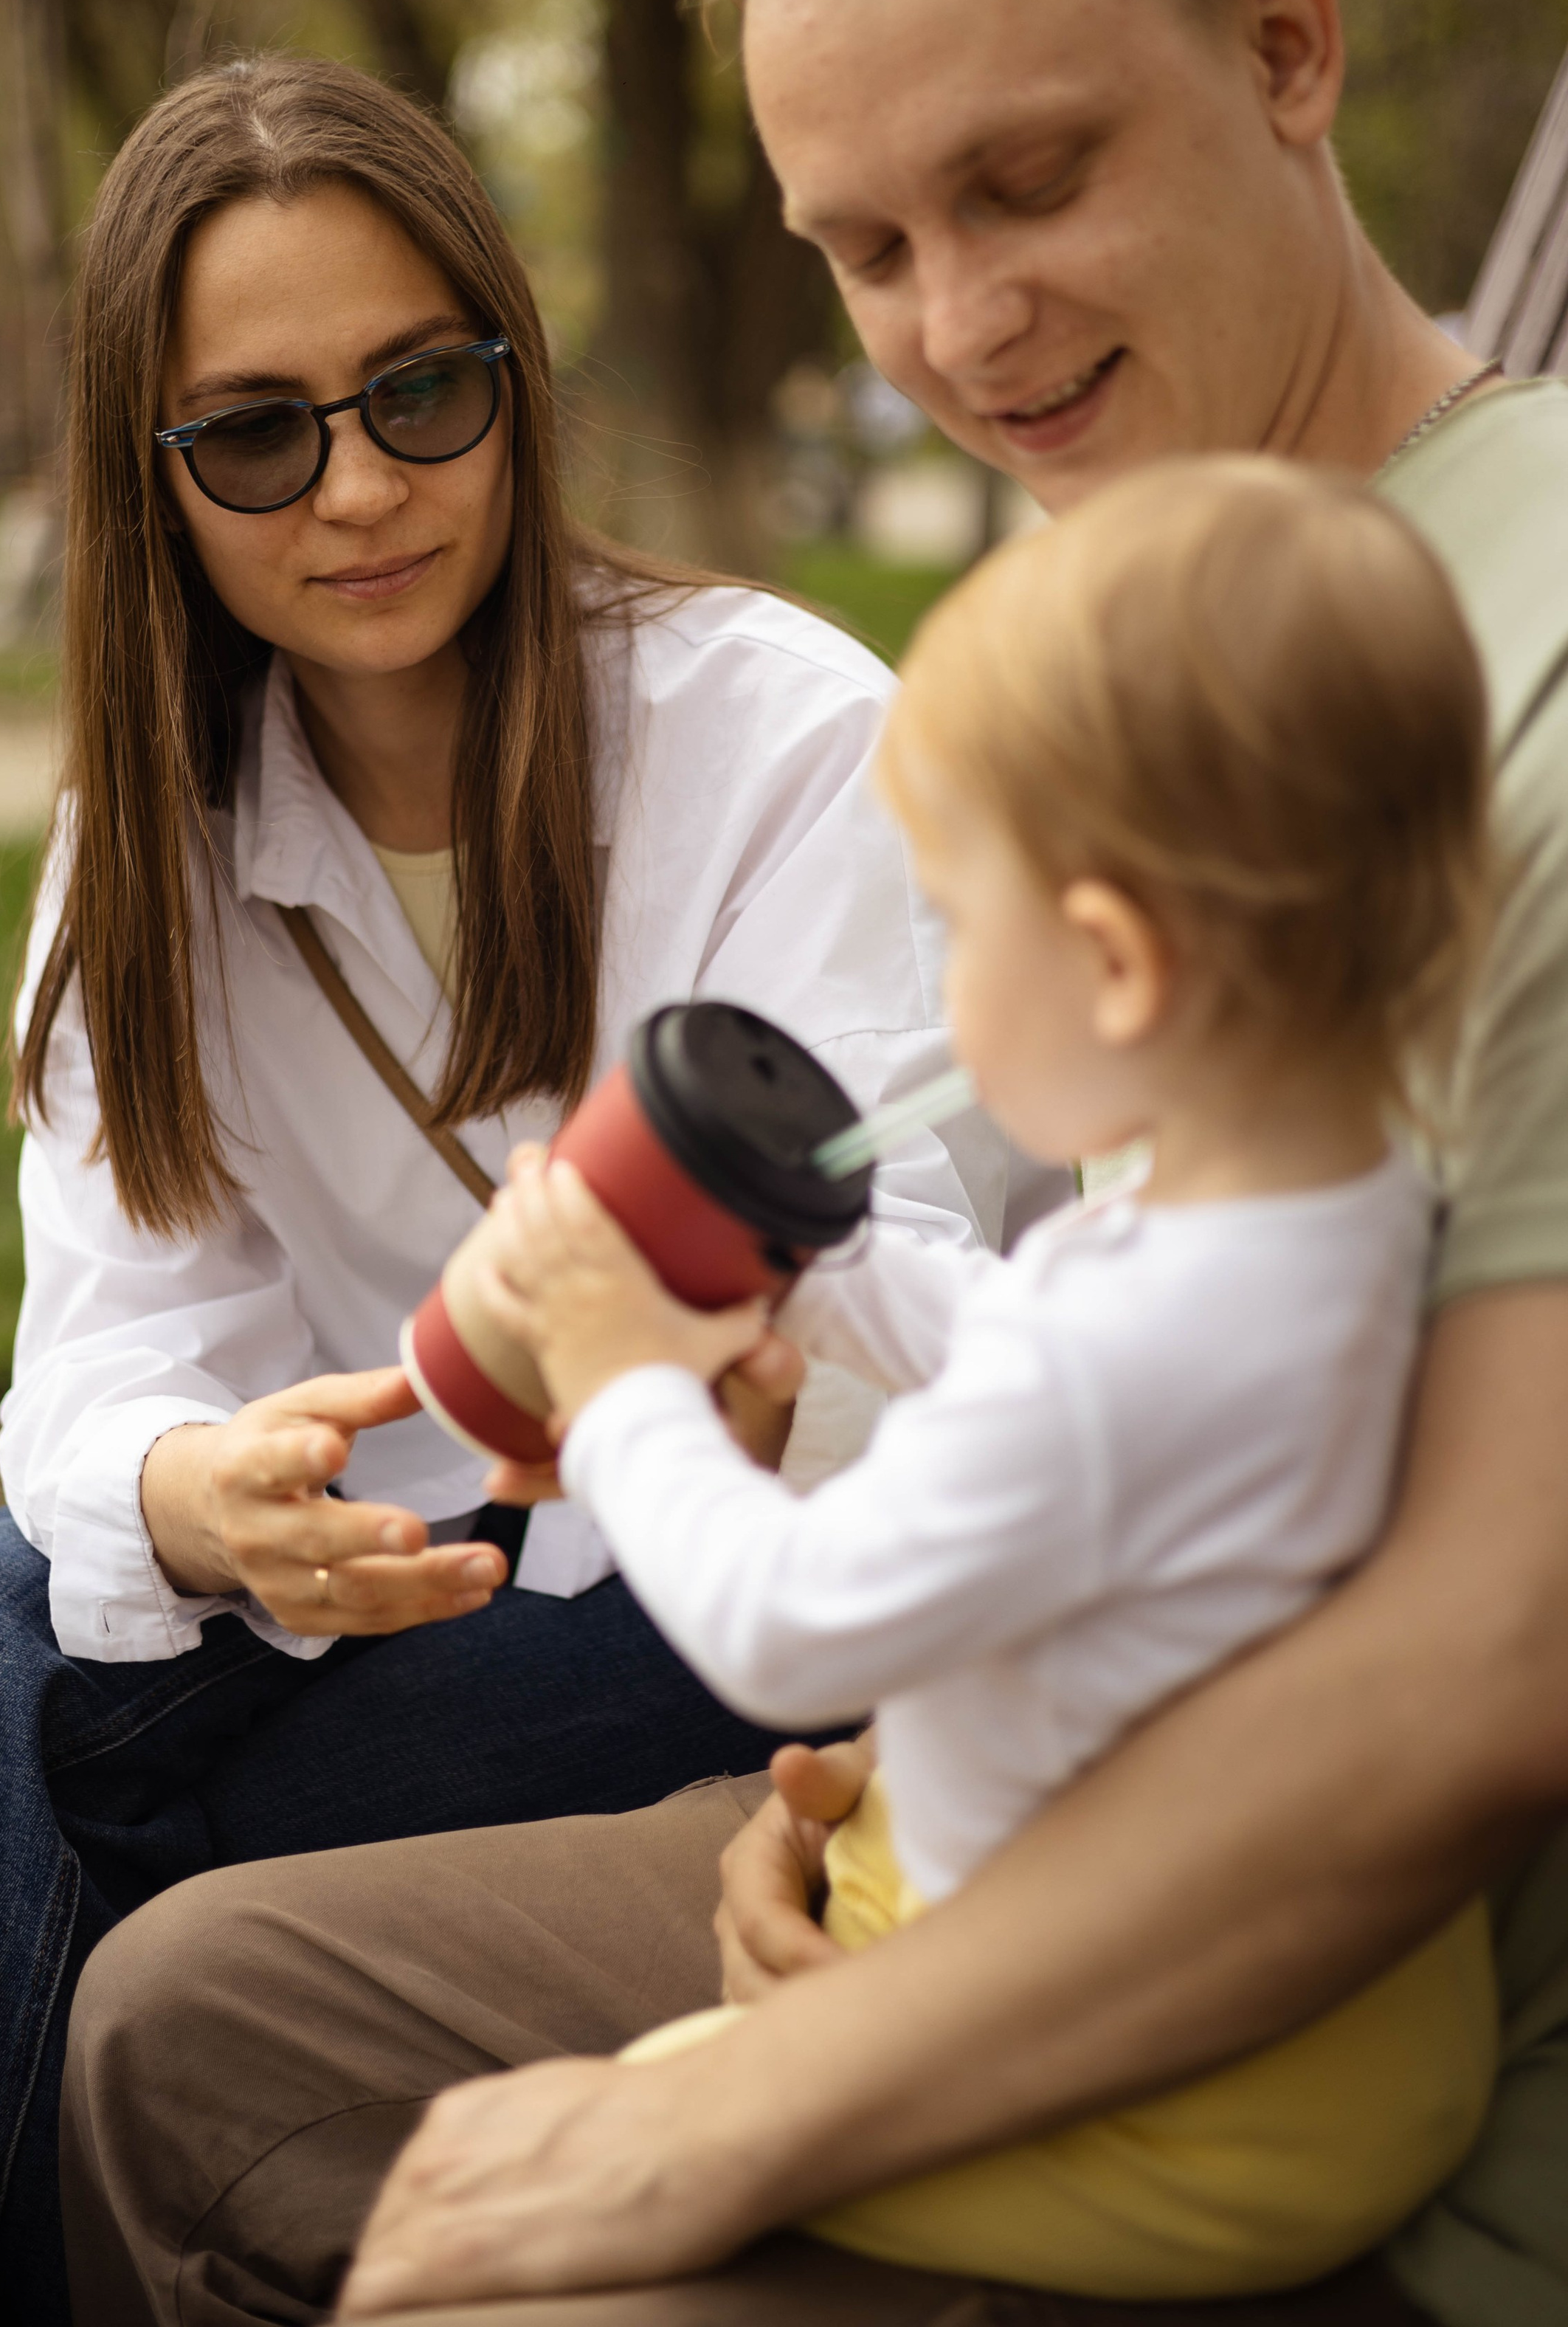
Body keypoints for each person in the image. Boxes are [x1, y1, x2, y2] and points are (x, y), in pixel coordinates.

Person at [55, 0, 1568, 2327]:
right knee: (173, 2014)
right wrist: (892, 1765)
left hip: (1339, 2085)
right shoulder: (1159, 642)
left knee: (471, 2241)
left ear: (1287, 43)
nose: (963, 324)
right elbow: (1162, 1444)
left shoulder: (1510, 666)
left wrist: (762, 2102)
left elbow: (1488, 1660)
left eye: (1032, 178)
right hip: (1038, 1824)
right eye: (864, 244)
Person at [0, 55, 1000, 2327]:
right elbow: (105, 1354)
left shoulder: (783, 738)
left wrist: (705, 1363)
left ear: (511, 372)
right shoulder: (150, 848)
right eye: (256, 432)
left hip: (728, 1602)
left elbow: (922, 1280)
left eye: (420, 392)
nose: (361, 489)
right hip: (368, 1599)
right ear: (159, 484)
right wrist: (200, 1494)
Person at [480, 458, 1496, 2297]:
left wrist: (616, 1384)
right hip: (1347, 2029)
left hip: (1188, 2111)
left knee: (581, 2147)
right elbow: (1034, 1345)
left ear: (1109, 963)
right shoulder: (1324, 1218)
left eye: (956, 921)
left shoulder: (1126, 1360)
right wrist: (833, 1251)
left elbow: (785, 1628)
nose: (938, 1001)